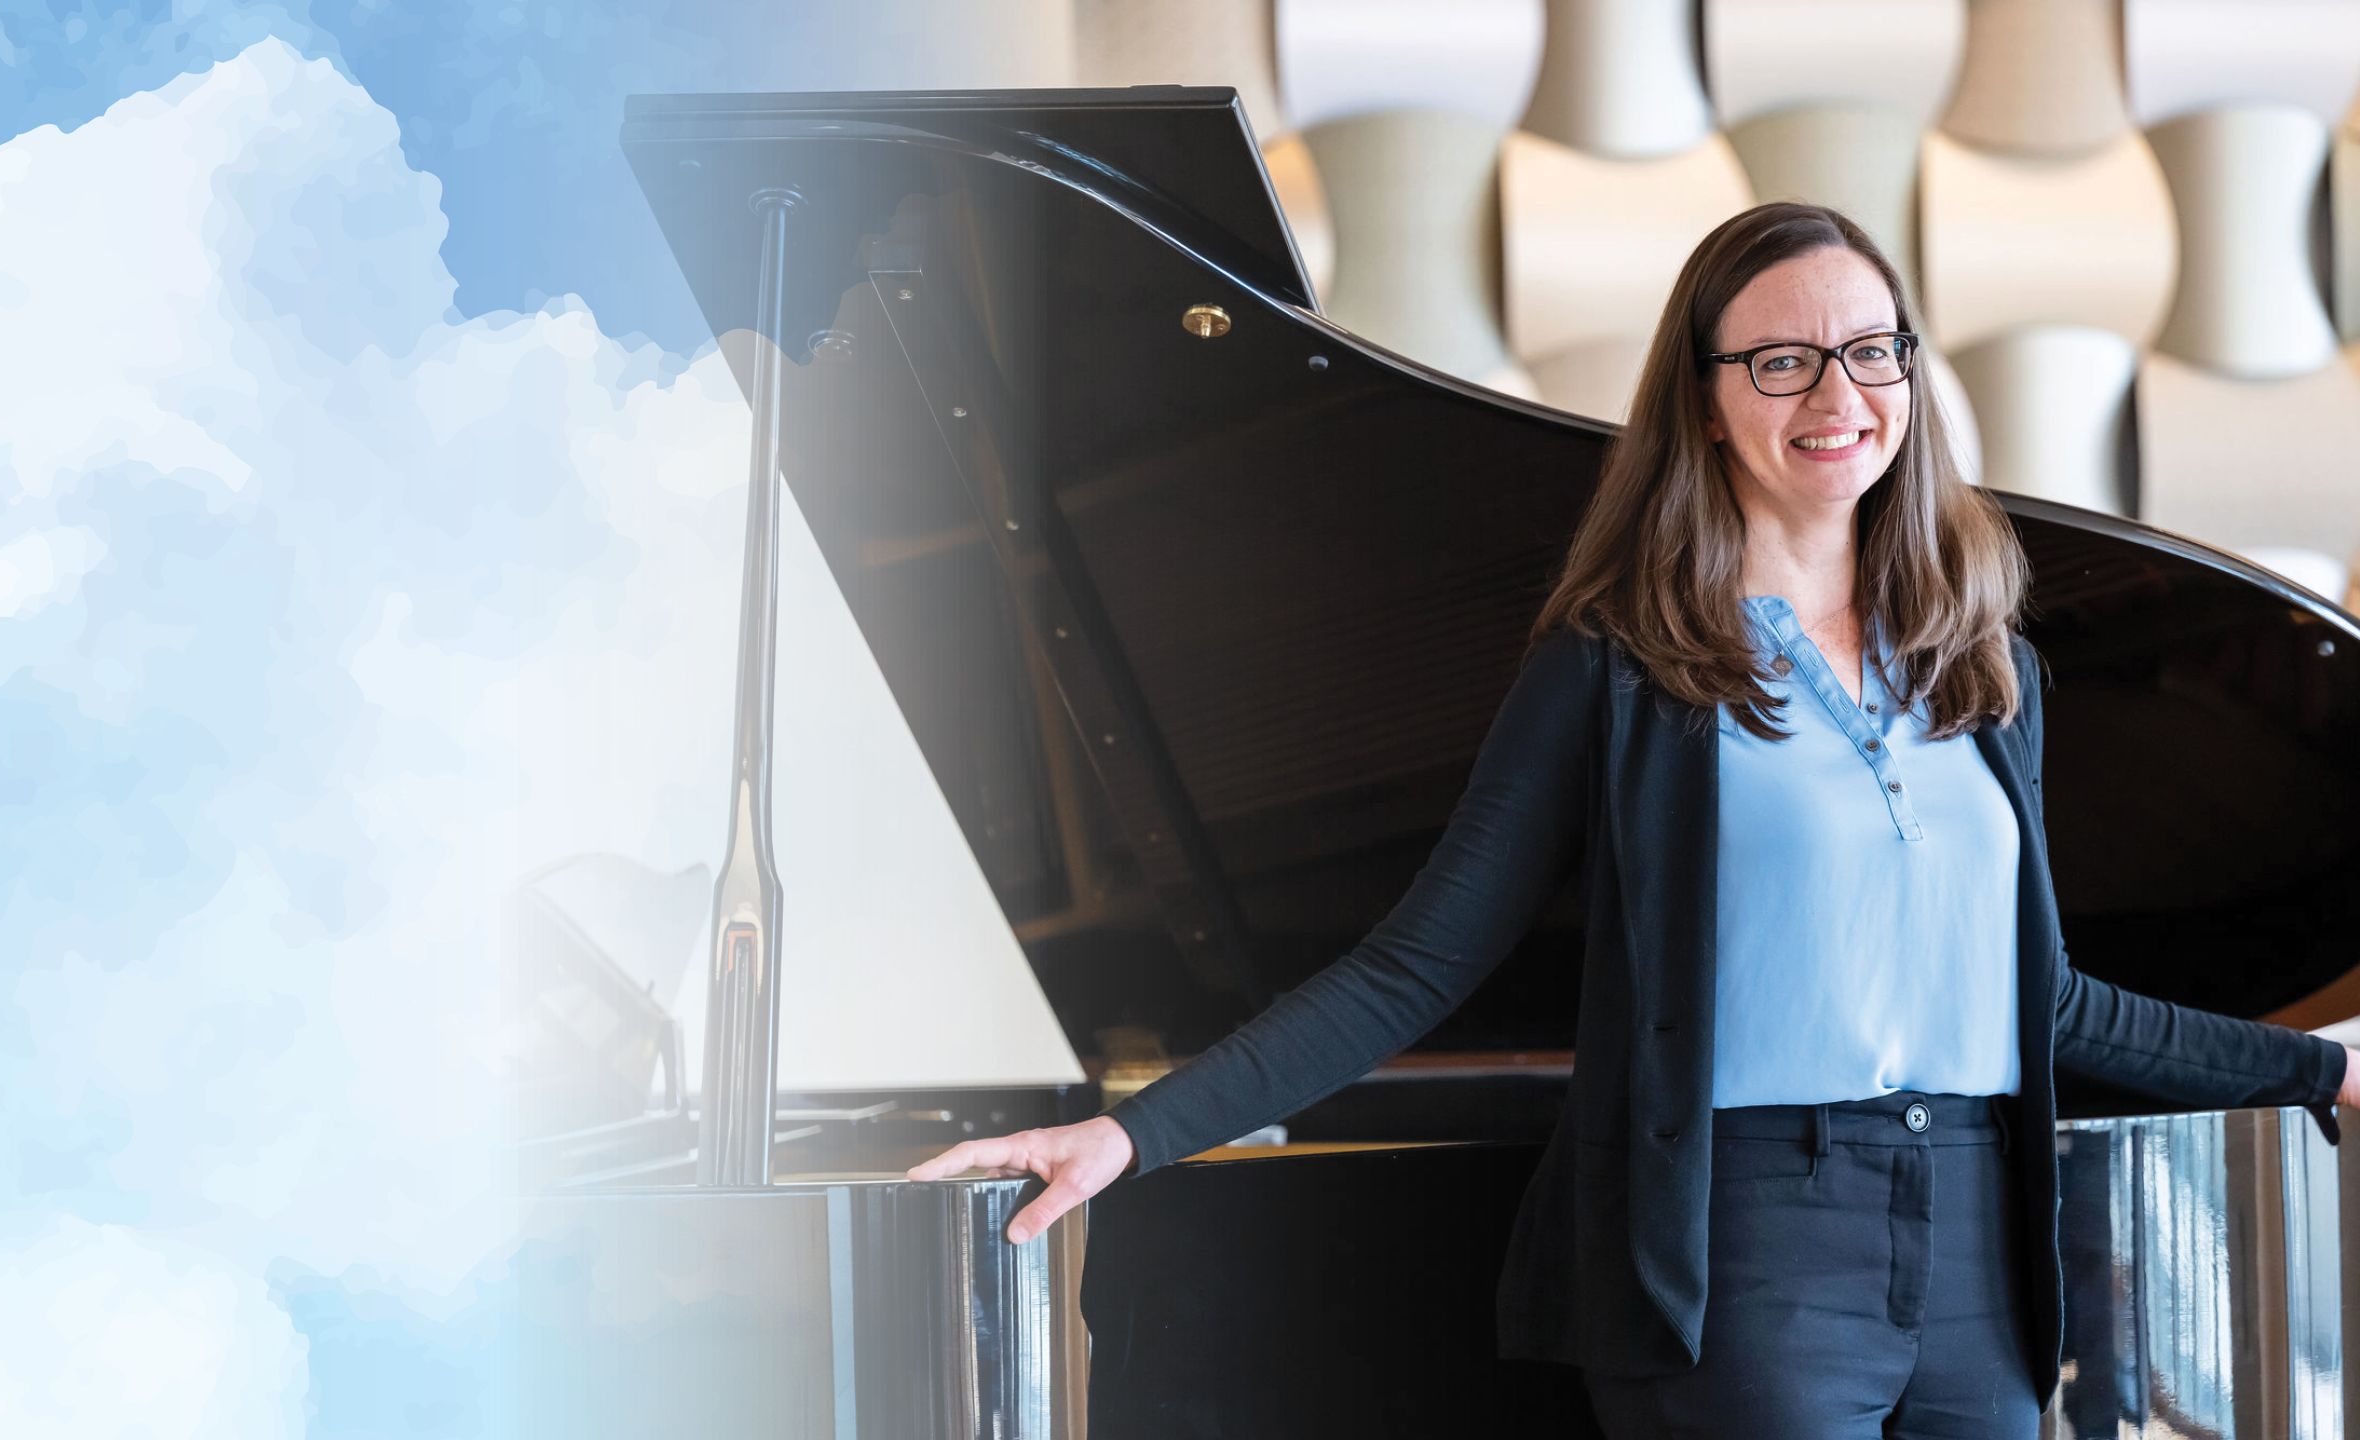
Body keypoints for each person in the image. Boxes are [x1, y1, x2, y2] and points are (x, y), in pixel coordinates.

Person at [904, 201, 2360, 1437]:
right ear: (1707, 395)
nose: (1837, 396)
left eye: (1870, 352)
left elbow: (2041, 1003)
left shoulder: (1989, 666)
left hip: (1984, 1238)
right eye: (1783, 361)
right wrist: (1129, 1138)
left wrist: (2318, 1076)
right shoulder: (1620, 668)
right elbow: (1417, 964)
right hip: (1755, 1241)